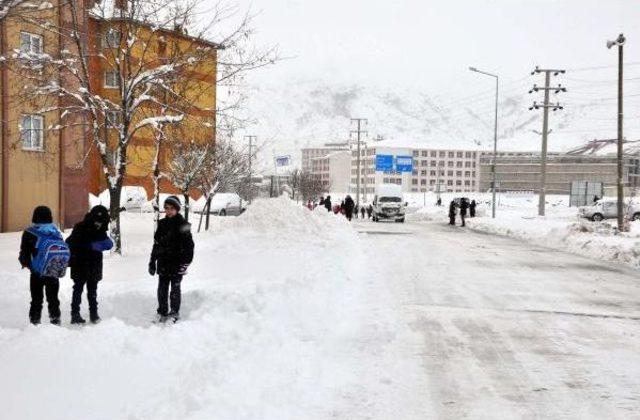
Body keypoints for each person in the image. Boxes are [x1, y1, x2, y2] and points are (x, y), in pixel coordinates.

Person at [149, 196, 194, 323]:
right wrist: (152, 262)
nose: (169, 211)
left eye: (172, 209)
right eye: (167, 208)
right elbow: (156, 245)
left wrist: (185, 263)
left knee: (175, 289)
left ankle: (174, 313)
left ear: (177, 209)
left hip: (177, 264)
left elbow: (189, 246)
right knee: (162, 289)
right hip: (163, 263)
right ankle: (162, 312)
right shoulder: (161, 224)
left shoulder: (183, 225)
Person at [66, 205, 113, 324]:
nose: (99, 224)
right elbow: (70, 242)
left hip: (94, 264)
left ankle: (94, 314)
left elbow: (108, 243)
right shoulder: (80, 227)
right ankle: (75, 314)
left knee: (92, 290)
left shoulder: (101, 229)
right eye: (97, 221)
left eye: (101, 222)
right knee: (78, 289)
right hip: (80, 263)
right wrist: (89, 245)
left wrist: (100, 245)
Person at [19, 206, 64, 325]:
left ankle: (35, 321)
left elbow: (24, 252)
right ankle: (55, 319)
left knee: (36, 299)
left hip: (36, 272)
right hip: (53, 270)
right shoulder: (55, 232)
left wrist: (26, 264)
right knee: (53, 298)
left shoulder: (29, 232)